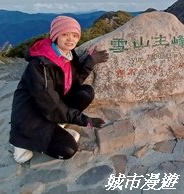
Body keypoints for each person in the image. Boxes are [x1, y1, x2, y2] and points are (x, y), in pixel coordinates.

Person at [9, 15, 109, 163]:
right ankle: (21, 142)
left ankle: (57, 124)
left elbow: (73, 82)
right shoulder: (39, 64)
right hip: (31, 117)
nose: (70, 39)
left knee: (85, 93)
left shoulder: (68, 55)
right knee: (68, 150)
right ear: (55, 35)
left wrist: (90, 61)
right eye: (65, 34)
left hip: (51, 108)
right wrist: (85, 120)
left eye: (75, 35)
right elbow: (50, 103)